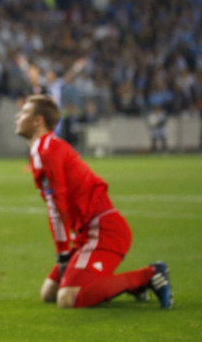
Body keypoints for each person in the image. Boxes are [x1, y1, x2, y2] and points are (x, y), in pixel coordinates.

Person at [15, 95, 173, 310]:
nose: (18, 116)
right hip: (86, 234)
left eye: (24, 113)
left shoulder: (48, 151)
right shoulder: (43, 150)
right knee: (49, 293)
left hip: (104, 231)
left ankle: (148, 275)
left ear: (38, 121)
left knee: (68, 298)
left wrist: (62, 254)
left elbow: (57, 207)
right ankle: (131, 287)